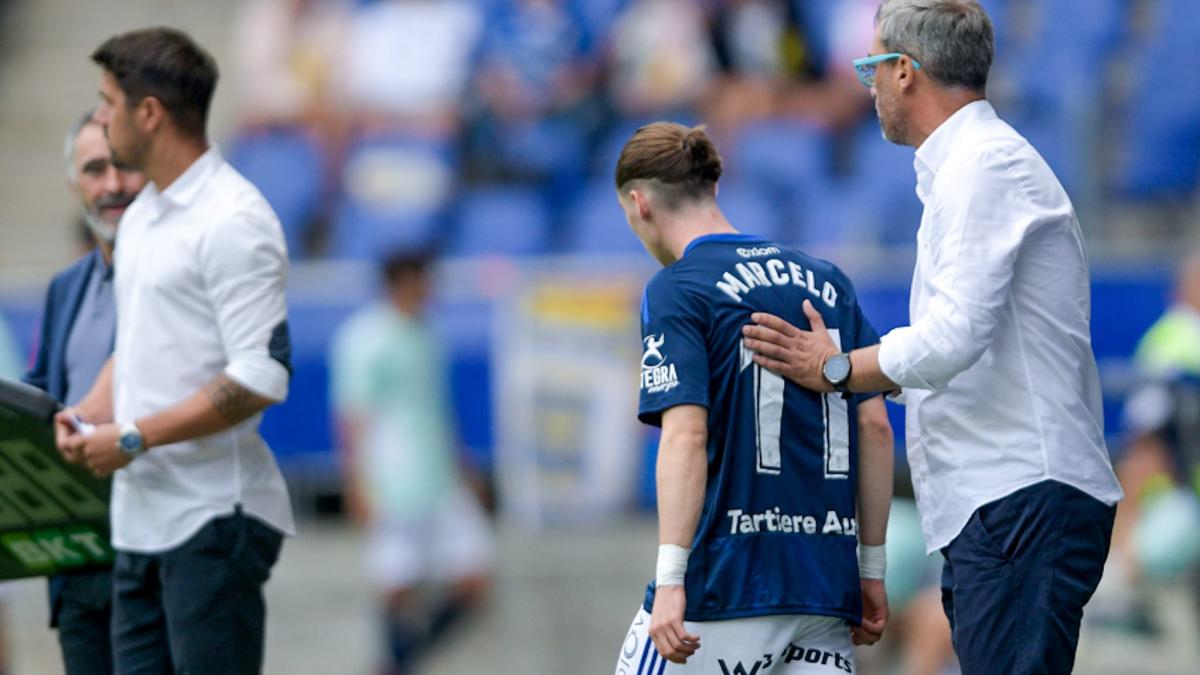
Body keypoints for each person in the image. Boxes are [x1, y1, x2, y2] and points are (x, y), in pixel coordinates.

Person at [739, 2, 1123, 673]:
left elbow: (951, 339)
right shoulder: (972, 167)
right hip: (1004, 498)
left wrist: (833, 367)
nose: (869, 86)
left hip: (1019, 493)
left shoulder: (982, 167)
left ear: (905, 72)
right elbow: (959, 348)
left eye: (870, 67)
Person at [610, 122, 895, 673]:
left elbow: (686, 434)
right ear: (712, 188)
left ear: (640, 204)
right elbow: (875, 428)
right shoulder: (829, 281)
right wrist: (872, 568)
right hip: (824, 592)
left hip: (724, 588)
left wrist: (671, 580)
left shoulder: (678, 287)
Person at [55, 27, 294, 674]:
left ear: (149, 112)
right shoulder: (141, 218)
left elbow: (260, 376)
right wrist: (92, 411)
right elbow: (135, 344)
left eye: (109, 103)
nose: (102, 119)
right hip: (140, 523)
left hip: (213, 517)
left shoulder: (234, 219)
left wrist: (132, 437)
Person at [22, 110, 147, 675]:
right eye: (95, 169)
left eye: (123, 166)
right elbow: (42, 397)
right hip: (76, 561)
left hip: (152, 550)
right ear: (75, 184)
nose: (112, 184)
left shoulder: (177, 273)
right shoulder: (65, 287)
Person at [330, 247, 493, 675]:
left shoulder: (429, 333)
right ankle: (396, 662)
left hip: (439, 476)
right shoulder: (365, 338)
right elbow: (353, 416)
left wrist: (464, 466)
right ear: (401, 282)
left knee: (474, 581)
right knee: (396, 584)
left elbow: (438, 407)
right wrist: (355, 482)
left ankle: (397, 662)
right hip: (392, 478)